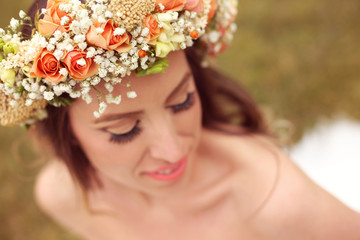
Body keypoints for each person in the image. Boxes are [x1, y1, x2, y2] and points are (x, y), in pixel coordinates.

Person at [0, 0, 359, 239]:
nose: (172, 151)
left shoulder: (280, 202)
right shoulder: (63, 196)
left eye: (183, 101)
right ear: (68, 134)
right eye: (124, 130)